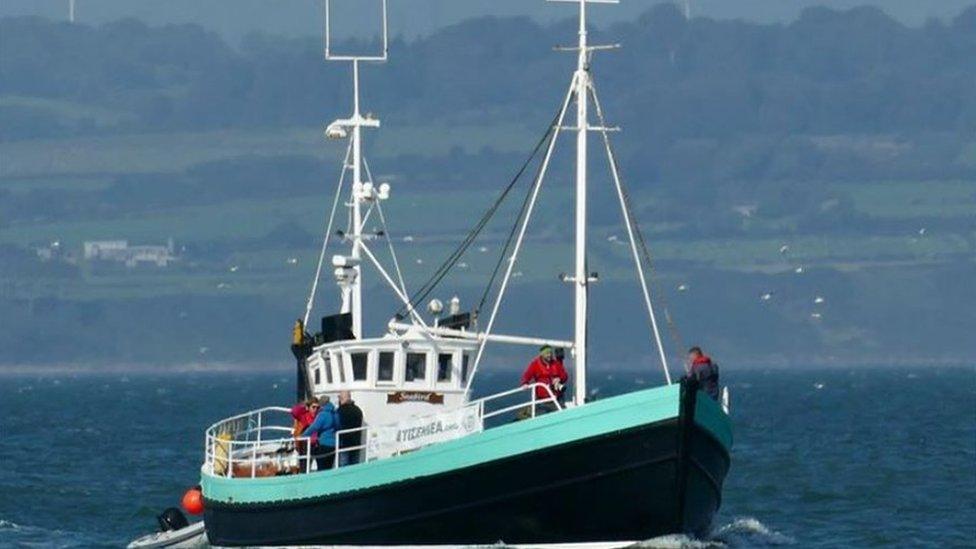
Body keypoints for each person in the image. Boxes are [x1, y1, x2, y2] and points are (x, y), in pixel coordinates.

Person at [520, 345, 569, 411]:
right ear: (542, 355)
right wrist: (525, 383)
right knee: (542, 415)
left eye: (550, 353)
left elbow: (565, 376)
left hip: (557, 398)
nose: (549, 355)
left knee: (562, 414)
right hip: (542, 400)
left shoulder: (556, 364)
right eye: (547, 353)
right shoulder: (535, 364)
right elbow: (527, 374)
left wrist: (559, 379)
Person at [302, 396, 340, 471]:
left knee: (322, 468)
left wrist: (304, 435)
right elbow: (338, 426)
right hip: (334, 444)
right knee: (329, 467)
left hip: (324, 444)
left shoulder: (323, 414)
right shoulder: (335, 413)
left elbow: (314, 427)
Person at [291, 397, 320, 473]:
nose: (315, 409)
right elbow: (294, 412)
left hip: (316, 444)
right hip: (305, 445)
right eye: (313, 407)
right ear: (309, 407)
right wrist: (304, 406)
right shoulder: (304, 416)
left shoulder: (319, 416)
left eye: (317, 407)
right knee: (304, 466)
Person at [336, 391, 364, 467]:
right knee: (354, 466)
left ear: (342, 398)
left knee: (343, 466)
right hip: (356, 442)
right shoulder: (358, 410)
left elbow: (337, 425)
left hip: (344, 443)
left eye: (340, 398)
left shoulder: (340, 411)